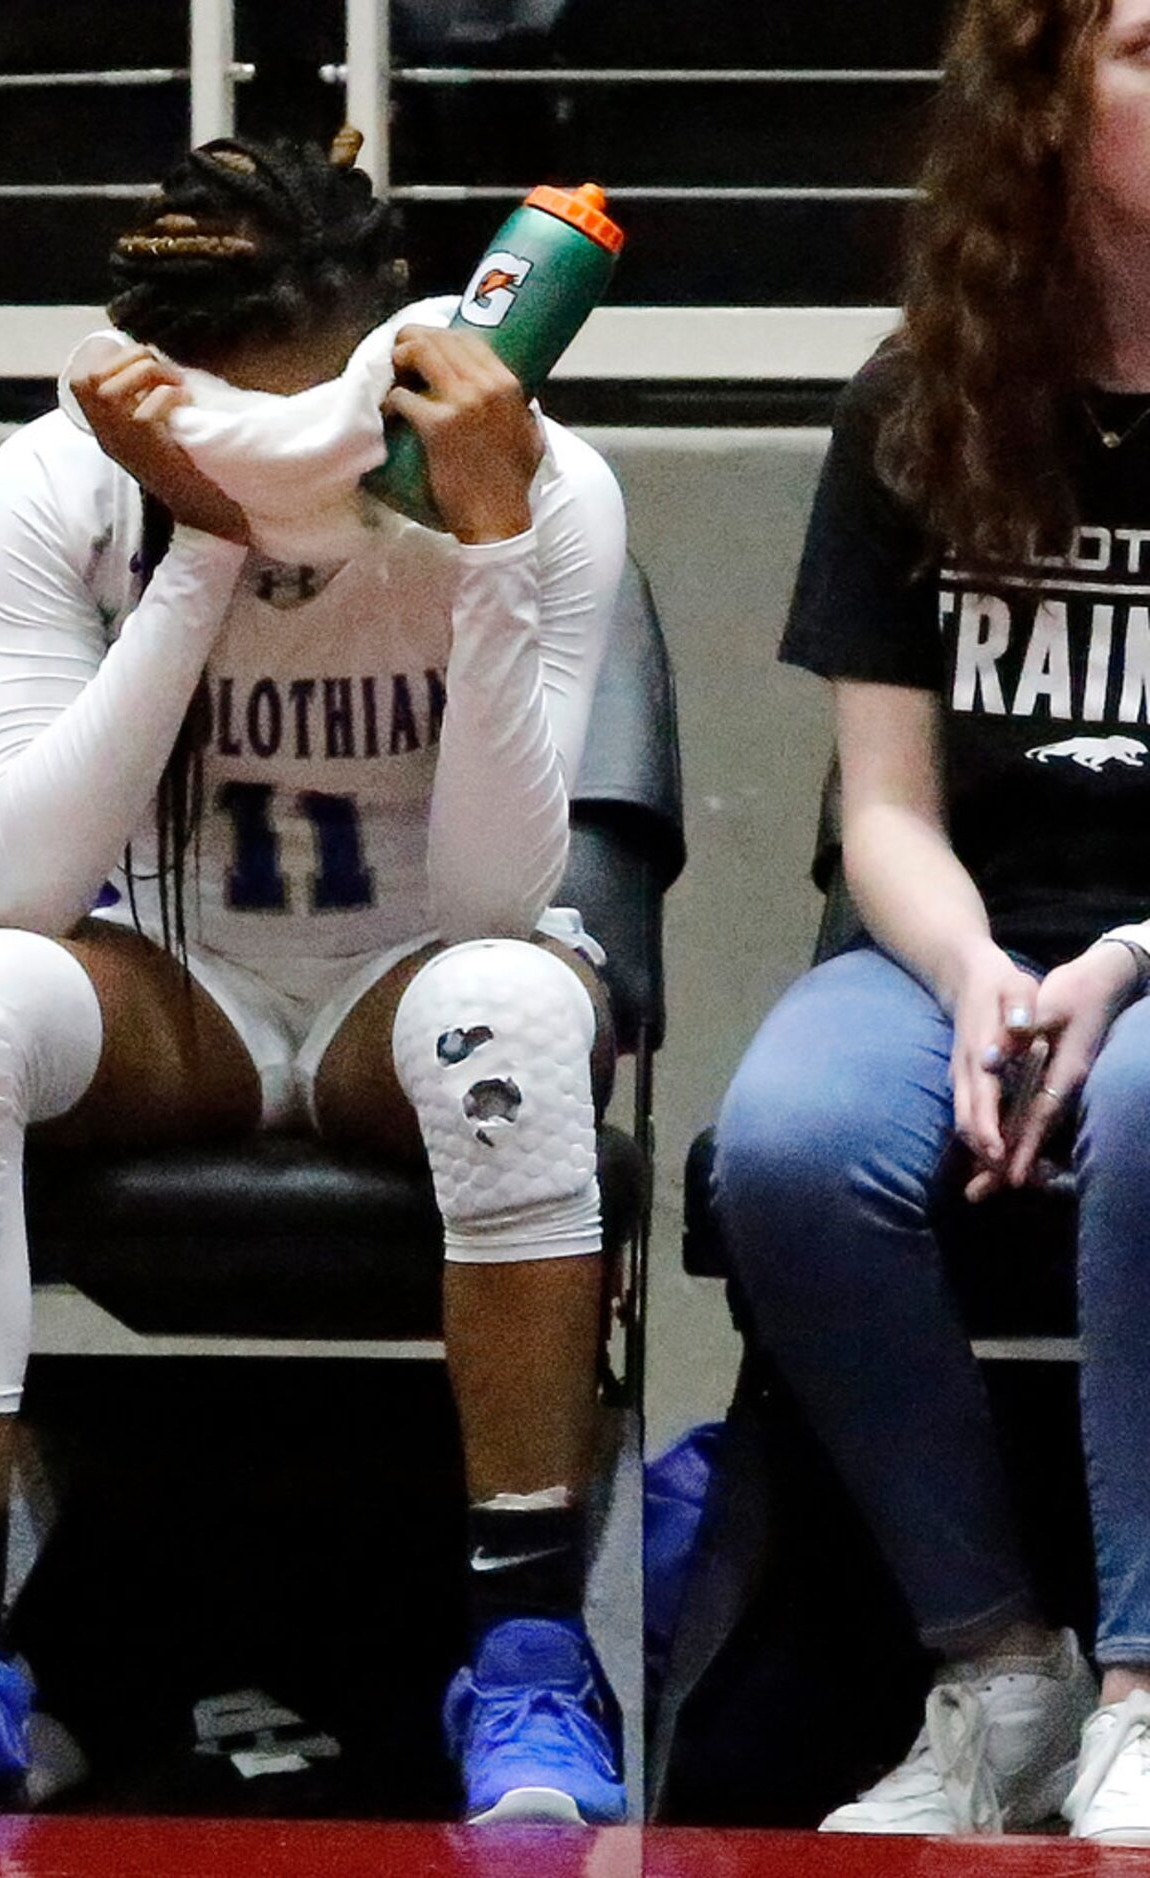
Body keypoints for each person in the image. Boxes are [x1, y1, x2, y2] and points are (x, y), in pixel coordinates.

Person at [0, 129, 629, 1821]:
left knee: (520, 1008)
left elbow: (491, 889)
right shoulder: (58, 480)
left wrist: (476, 550)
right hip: (167, 989)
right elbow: (25, 881)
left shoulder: (544, 483)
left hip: (405, 980)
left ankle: (527, 1659)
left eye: (308, 409)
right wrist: (199, 546)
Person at [714, 0, 1150, 1843]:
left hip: (1147, 958)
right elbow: (880, 806)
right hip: (960, 928)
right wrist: (975, 972)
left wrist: (1123, 960)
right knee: (790, 1143)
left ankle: (1142, 1677)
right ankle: (996, 1664)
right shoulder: (917, 400)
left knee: (1142, 1115)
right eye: (1144, 46)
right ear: (1043, 103)